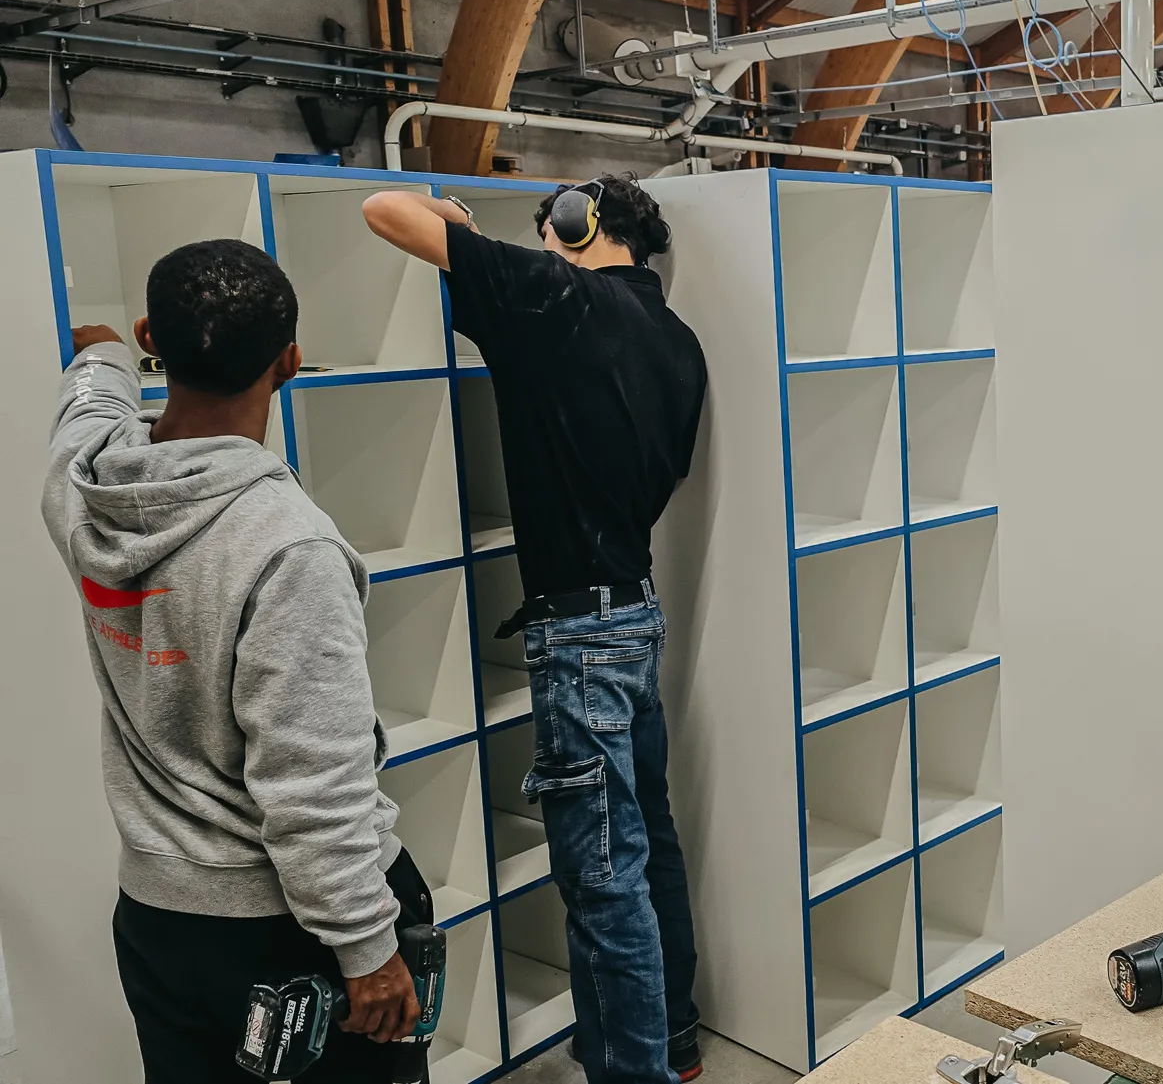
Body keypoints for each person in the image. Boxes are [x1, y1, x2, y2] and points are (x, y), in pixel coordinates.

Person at [44, 240, 427, 1083]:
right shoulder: (289, 547)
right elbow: (313, 785)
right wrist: (368, 948)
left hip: (155, 921)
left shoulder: (82, 485)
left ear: (157, 337)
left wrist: (108, 350)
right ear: (288, 363)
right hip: (281, 932)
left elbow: (89, 389)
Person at [362, 174, 708, 1084]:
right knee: (648, 849)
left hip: (580, 634)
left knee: (604, 883)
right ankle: (668, 1041)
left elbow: (383, 210)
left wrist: (458, 222)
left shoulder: (556, 297)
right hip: (633, 614)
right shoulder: (677, 340)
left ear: (573, 222)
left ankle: (635, 1075)